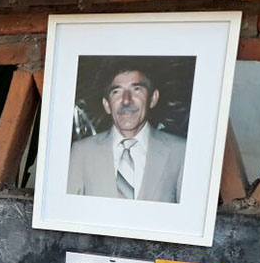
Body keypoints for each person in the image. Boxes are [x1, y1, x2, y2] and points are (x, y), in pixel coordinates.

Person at [67, 64, 186, 203]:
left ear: (153, 99)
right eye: (116, 92)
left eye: (136, 89)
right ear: (107, 104)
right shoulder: (81, 152)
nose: (126, 100)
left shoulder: (180, 152)